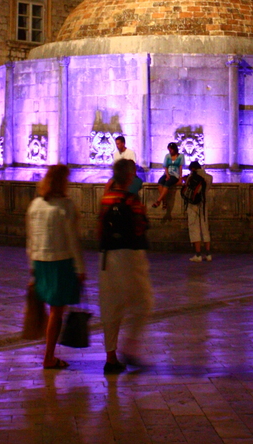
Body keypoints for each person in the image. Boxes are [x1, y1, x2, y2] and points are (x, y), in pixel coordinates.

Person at [26, 164, 85, 369]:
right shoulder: (65, 206)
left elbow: (31, 237)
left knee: (48, 309)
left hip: (40, 261)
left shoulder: (35, 205)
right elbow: (72, 240)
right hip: (60, 262)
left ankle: (47, 349)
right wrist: (80, 267)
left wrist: (32, 263)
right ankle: (49, 356)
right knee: (56, 312)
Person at [99, 159, 154, 373]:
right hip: (130, 257)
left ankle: (111, 357)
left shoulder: (107, 197)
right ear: (129, 176)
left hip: (106, 257)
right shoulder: (131, 199)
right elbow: (140, 226)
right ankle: (130, 346)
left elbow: (99, 226)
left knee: (111, 308)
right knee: (144, 302)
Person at [183, 161, 213, 262]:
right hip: (203, 204)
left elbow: (187, 189)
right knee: (205, 227)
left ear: (192, 168)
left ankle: (198, 254)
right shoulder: (209, 177)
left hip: (192, 205)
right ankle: (208, 254)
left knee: (194, 227)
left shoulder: (191, 177)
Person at [152, 142, 184, 208]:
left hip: (175, 175)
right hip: (167, 173)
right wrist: (167, 175)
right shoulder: (167, 156)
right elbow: (165, 166)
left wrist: (180, 178)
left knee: (167, 183)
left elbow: (180, 167)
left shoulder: (181, 156)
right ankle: (164, 201)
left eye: (171, 150)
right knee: (160, 182)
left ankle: (158, 201)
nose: (170, 151)